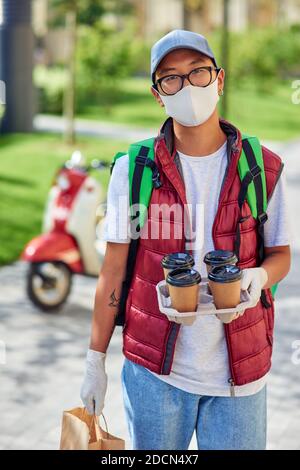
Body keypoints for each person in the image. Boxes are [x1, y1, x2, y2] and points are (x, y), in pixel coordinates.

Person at [80, 30, 291, 450]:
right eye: (171, 78)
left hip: (240, 380)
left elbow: (281, 254)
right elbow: (113, 272)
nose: (187, 86)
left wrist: (258, 279)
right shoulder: (133, 169)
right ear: (158, 94)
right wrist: (95, 360)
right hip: (155, 377)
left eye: (197, 72)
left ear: (219, 79)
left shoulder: (261, 166)